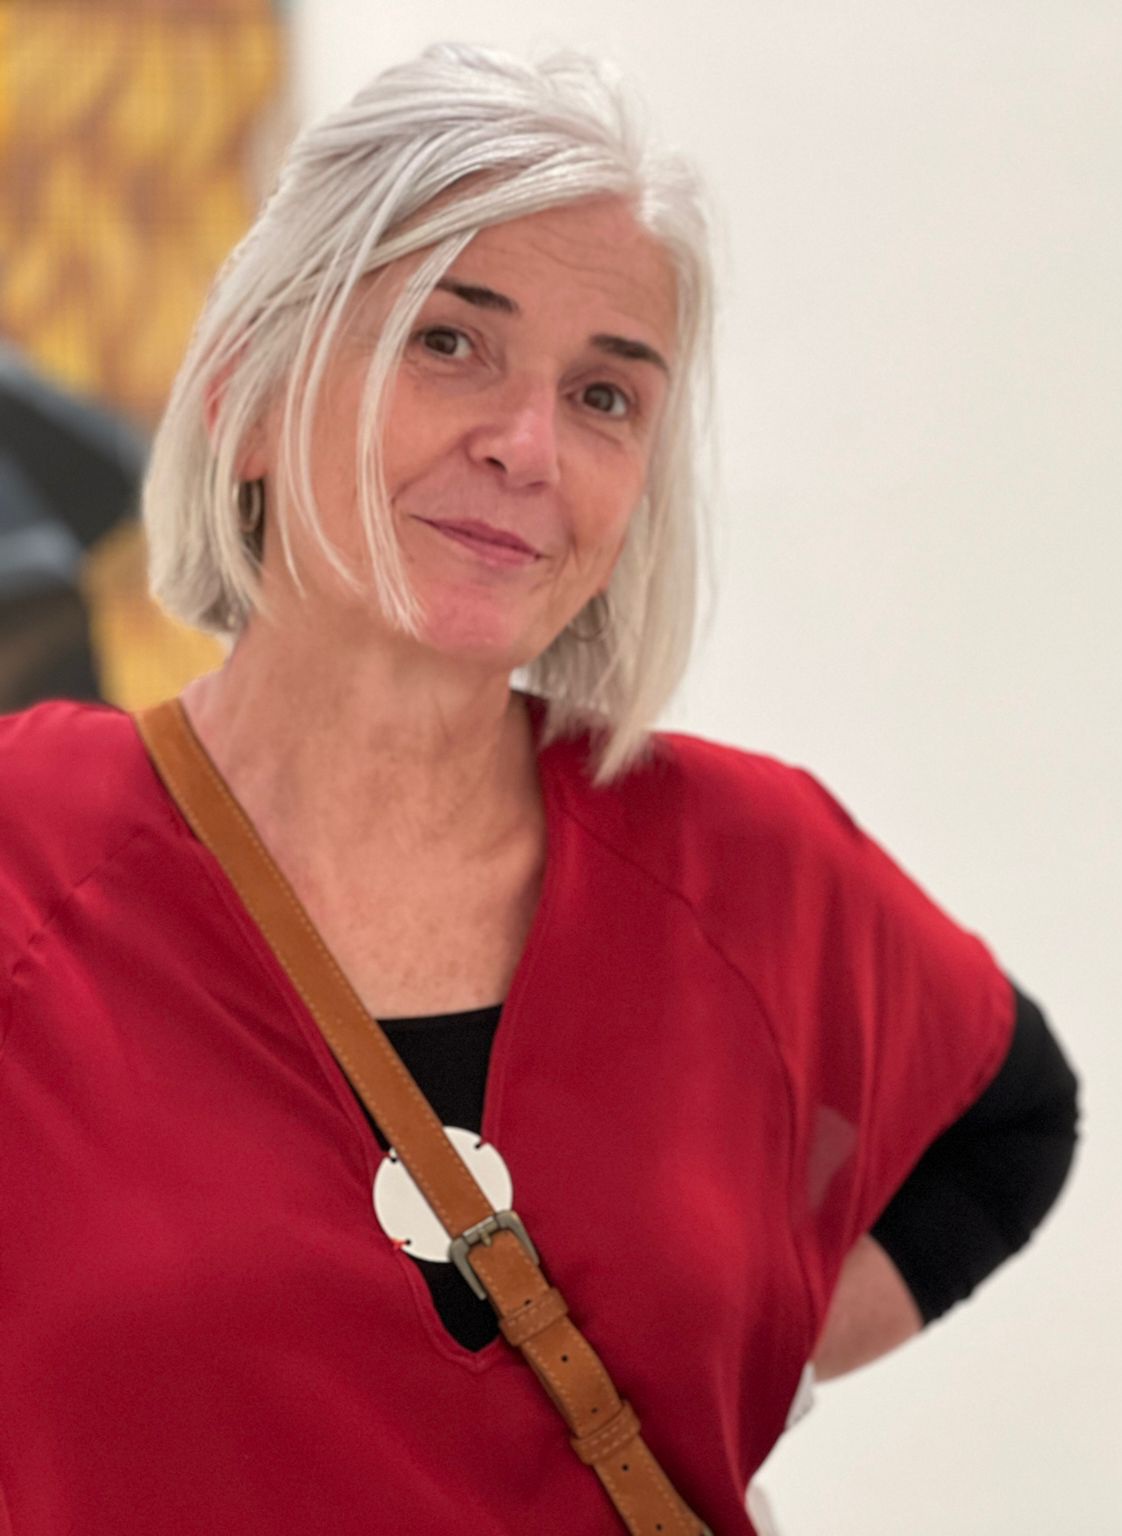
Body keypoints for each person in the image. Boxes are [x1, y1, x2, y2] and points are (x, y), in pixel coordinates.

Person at [0, 43, 1077, 1536]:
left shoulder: (750, 866)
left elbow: (1011, 1117)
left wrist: (745, 1368)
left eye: (605, 395)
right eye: (449, 342)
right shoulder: (26, 851)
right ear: (250, 395)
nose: (526, 446)